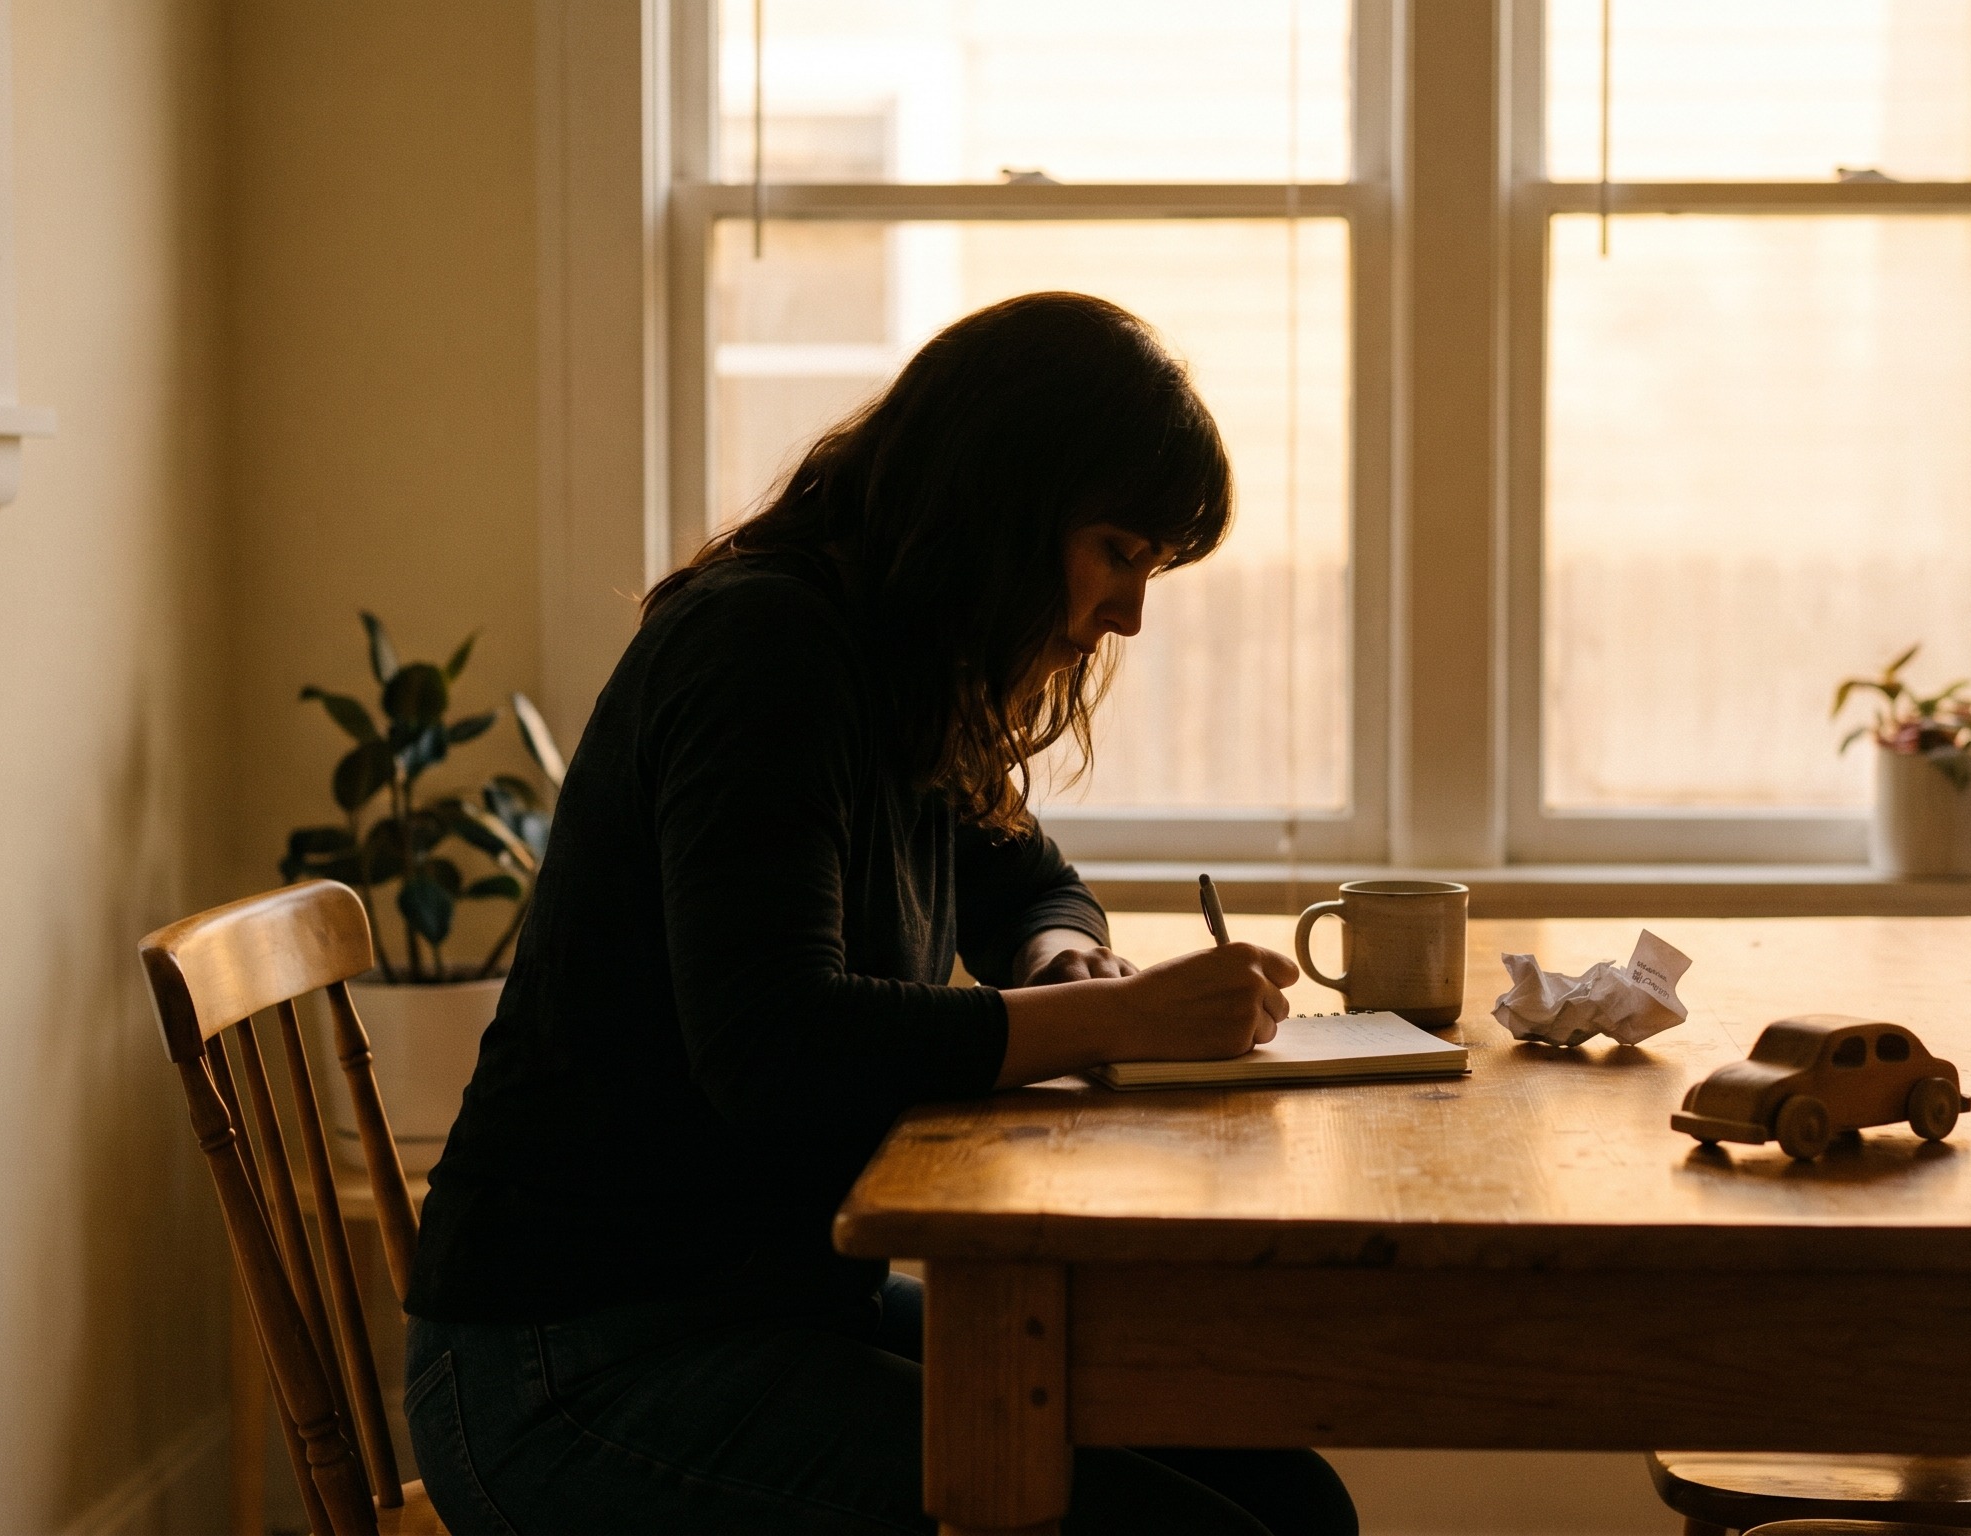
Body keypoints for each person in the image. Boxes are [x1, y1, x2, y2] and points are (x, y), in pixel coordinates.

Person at [401, 292, 1360, 1535]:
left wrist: (1062, 957)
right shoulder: (764, 653)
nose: (1128, 614)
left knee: (1290, 1498)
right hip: (569, 1360)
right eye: (1118, 552)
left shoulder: (897, 660)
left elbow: (1030, 880)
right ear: (1004, 510)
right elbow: (773, 1045)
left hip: (762, 1304)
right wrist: (1118, 1019)